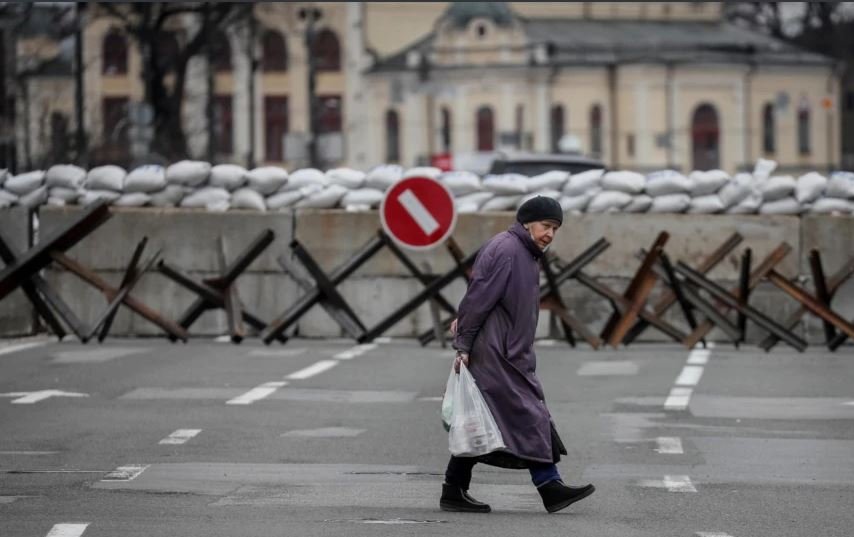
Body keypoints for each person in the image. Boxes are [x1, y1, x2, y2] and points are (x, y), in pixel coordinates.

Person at [439, 196, 595, 514]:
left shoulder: (524, 252)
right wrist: (464, 346)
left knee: (480, 421)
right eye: (546, 226)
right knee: (529, 416)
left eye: (555, 228)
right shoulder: (507, 251)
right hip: (497, 353)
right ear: (527, 223)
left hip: (509, 352)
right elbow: (478, 298)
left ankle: (453, 490)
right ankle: (549, 486)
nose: (550, 234)